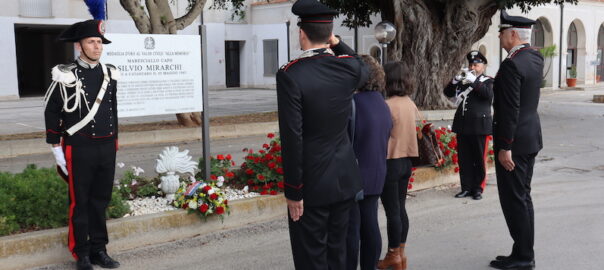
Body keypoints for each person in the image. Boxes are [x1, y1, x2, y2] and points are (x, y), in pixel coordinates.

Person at [276, 0, 368, 269]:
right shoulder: (349, 69)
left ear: (301, 33)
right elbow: (360, 63)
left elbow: (292, 137)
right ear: (329, 35)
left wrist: (294, 191)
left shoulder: (290, 75)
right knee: (338, 254)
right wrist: (335, 41)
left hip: (313, 185)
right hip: (344, 180)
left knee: (311, 258)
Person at [44, 20, 121, 270]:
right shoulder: (66, 74)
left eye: (100, 42)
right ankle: (82, 253)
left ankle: (100, 249)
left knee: (101, 200)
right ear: (79, 46)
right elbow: (52, 109)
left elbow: (112, 109)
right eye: (92, 42)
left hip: (106, 146)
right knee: (80, 202)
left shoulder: (109, 73)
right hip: (79, 146)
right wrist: (55, 146)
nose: (97, 47)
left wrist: (115, 139)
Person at [489, 10, 543, 270]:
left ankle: (524, 257)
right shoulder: (533, 57)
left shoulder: (512, 64)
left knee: (514, 201)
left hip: (515, 143)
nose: (499, 37)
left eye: (501, 33)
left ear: (512, 34)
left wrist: (505, 147)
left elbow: (510, 109)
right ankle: (521, 250)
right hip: (530, 138)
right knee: (523, 197)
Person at [346, 55, 392, 270]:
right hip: (376, 170)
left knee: (352, 231)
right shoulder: (381, 103)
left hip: (355, 173)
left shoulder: (353, 103)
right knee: (370, 224)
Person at [377, 62, 419, 270]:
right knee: (400, 208)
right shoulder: (409, 102)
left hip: (391, 161)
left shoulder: (387, 105)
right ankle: (400, 254)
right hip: (406, 162)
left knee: (392, 211)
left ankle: (393, 254)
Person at [444, 50, 494, 200]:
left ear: (483, 66)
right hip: (463, 125)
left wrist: (474, 81)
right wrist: (455, 80)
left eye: (476, 64)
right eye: (471, 64)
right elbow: (448, 92)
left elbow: (488, 95)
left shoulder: (489, 81)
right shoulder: (465, 80)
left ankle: (478, 188)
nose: (473, 66)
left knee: (478, 158)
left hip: (480, 126)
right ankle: (465, 187)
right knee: (464, 159)